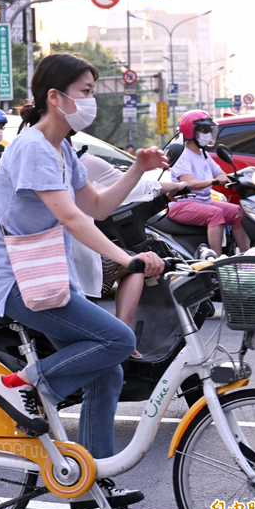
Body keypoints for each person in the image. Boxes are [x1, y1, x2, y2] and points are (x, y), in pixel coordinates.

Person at [0, 53, 166, 509]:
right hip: (15, 279)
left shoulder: (60, 150)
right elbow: (72, 218)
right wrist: (127, 259)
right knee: (117, 338)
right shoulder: (33, 147)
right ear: (55, 97)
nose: (92, 101)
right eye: (87, 92)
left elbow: (95, 206)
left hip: (47, 277)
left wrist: (137, 167)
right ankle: (20, 385)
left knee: (108, 368)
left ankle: (91, 480)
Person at [73, 151, 186, 359]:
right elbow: (85, 216)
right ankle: (122, 335)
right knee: (135, 265)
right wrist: (174, 186)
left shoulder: (62, 160)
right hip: (66, 264)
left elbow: (98, 208)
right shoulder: (75, 162)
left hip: (53, 264)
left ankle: (120, 337)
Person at [168, 110, 250, 257]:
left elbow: (219, 174)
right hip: (182, 205)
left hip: (204, 202)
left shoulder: (203, 154)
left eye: (209, 130)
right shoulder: (183, 155)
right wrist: (214, 181)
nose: (208, 134)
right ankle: (217, 262)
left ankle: (247, 256)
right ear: (190, 131)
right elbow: (188, 183)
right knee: (216, 214)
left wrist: (234, 177)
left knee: (238, 212)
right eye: (204, 130)